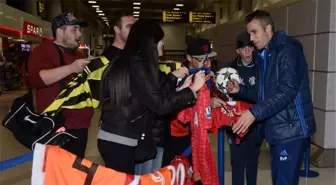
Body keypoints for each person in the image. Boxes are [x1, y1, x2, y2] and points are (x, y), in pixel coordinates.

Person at [97, 20, 206, 174]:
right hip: (120, 140)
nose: (162, 43)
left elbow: (153, 91)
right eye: (158, 40)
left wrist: (181, 88)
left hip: (118, 138)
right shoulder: (137, 64)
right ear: (149, 42)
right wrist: (193, 89)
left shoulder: (129, 61)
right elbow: (160, 105)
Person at [227, 10, 316, 185]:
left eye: (254, 32)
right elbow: (264, 94)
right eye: (249, 33)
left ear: (268, 29)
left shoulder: (287, 52)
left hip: (291, 131)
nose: (251, 38)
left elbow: (287, 92)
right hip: (277, 131)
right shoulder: (265, 55)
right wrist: (240, 90)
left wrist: (253, 113)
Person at [28, 13, 92, 158]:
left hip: (80, 125)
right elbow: (38, 78)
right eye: (74, 29)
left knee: (74, 173)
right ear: (60, 31)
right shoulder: (43, 51)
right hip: (56, 126)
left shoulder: (80, 56)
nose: (79, 34)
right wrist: (72, 68)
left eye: (79, 30)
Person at [212, 32, 263, 185]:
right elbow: (220, 95)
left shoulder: (261, 67)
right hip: (234, 123)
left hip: (255, 121)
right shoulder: (229, 70)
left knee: (253, 161)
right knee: (237, 162)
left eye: (250, 47)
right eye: (243, 48)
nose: (248, 51)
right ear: (238, 51)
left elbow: (263, 96)